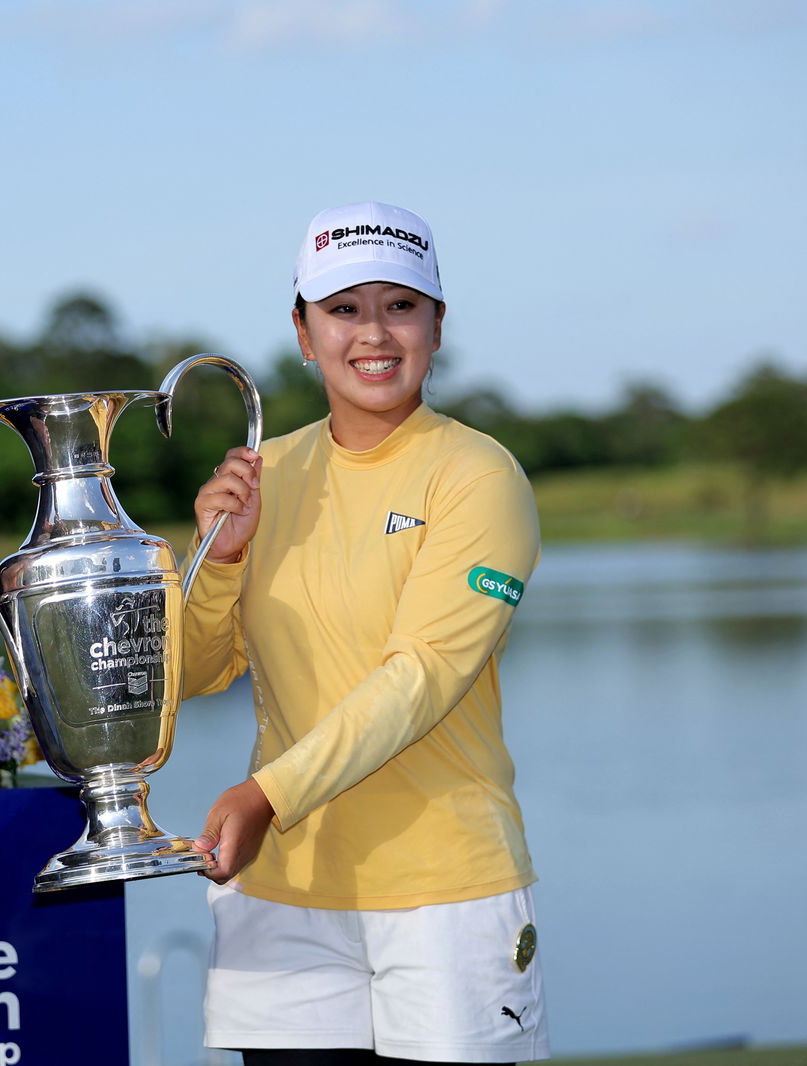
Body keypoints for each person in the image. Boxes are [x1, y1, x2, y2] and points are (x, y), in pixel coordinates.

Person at [184, 201, 548, 1065]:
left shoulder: (478, 475)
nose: (373, 333)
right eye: (344, 308)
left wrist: (264, 795)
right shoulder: (263, 473)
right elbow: (195, 674)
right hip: (283, 891)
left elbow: (420, 674)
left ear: (437, 324)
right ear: (304, 334)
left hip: (443, 892)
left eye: (401, 305)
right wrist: (219, 559)